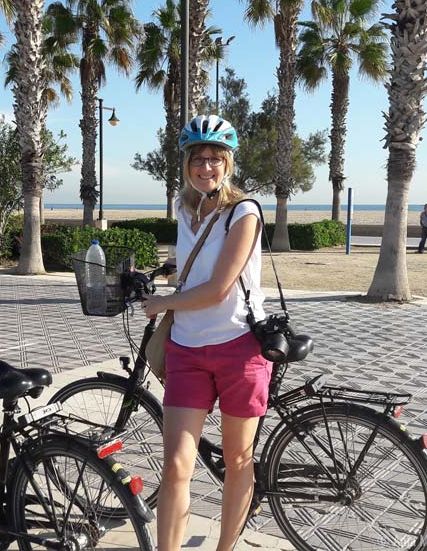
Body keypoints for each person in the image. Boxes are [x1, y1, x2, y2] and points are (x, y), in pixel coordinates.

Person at [141, 115, 271, 551]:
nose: (207, 166)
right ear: (186, 165)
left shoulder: (244, 211)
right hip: (188, 350)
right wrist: (165, 271)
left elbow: (218, 289)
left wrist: (162, 304)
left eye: (215, 158)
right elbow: (197, 264)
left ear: (228, 163)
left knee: (237, 460)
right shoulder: (185, 208)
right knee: (176, 465)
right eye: (198, 158)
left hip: (238, 349)